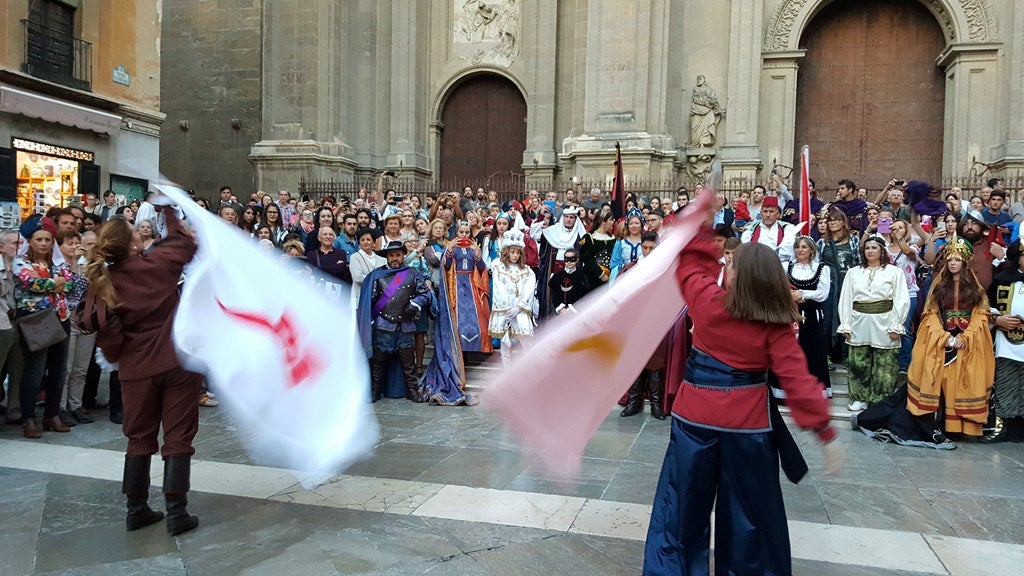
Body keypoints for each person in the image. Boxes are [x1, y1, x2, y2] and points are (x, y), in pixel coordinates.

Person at [643, 232, 842, 576]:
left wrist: (702, 217)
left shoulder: (707, 301)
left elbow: (689, 264)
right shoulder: (775, 324)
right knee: (748, 518)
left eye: (730, 263)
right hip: (747, 428)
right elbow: (797, 379)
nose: (725, 264)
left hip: (694, 421)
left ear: (741, 275)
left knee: (681, 510)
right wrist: (824, 431)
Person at [84, 206, 202, 535]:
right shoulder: (154, 266)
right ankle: (177, 512)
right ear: (132, 244)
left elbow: (107, 333)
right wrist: (170, 211)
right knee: (178, 436)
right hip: (176, 363)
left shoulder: (104, 280)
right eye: (136, 231)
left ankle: (135, 509)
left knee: (138, 438)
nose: (140, 234)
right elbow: (183, 244)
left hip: (136, 368)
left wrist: (118, 356)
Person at [906, 238, 993, 437]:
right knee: (940, 380)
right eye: (950, 259)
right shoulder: (939, 286)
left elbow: (981, 314)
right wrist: (942, 336)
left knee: (962, 381)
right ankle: (941, 425)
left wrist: (967, 336)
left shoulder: (975, 288)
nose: (953, 263)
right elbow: (930, 313)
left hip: (967, 341)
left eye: (957, 260)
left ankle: (962, 428)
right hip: (942, 340)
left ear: (965, 262)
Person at [13, 215, 75, 439]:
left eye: (47, 240)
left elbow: (70, 283)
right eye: (39, 239)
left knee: (59, 370)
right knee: (35, 370)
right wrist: (54, 284)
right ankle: (28, 418)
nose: (43, 244)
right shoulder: (20, 262)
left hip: (61, 316)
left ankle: (52, 415)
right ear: (29, 241)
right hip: (36, 319)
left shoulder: (57, 263)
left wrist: (53, 284)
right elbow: (32, 283)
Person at [837, 236, 910, 411]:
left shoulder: (894, 272)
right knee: (858, 361)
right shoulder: (853, 272)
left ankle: (880, 400)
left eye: (874, 248)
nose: (870, 251)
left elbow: (901, 299)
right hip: (859, 320)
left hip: (885, 320)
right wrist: (846, 323)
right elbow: (846, 298)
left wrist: (896, 324)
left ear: (882, 251)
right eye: (867, 248)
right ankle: (859, 398)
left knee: (885, 363)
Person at [358, 240, 431, 402]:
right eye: (391, 255)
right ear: (387, 257)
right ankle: (375, 392)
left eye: (398, 255)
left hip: (405, 326)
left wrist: (416, 303)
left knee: (409, 364)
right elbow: (370, 299)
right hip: (383, 325)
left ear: (403, 255)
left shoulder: (413, 273)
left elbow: (425, 294)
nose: (395, 258)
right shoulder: (376, 275)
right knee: (378, 363)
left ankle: (412, 391)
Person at [984, 239, 1024, 443]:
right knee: (1006, 384)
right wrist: (997, 319)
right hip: (1007, 344)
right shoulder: (1002, 280)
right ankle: (1003, 427)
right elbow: (986, 308)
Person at [786, 236, 832, 397]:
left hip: (811, 314)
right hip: (790, 314)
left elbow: (823, 294)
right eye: (797, 246)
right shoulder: (788, 267)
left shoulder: (821, 269)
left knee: (811, 350)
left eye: (804, 247)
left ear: (812, 250)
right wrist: (790, 294)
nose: (800, 250)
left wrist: (802, 293)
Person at [817, 209, 861, 366]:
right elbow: (817, 266)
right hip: (829, 285)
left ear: (844, 222)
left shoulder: (854, 240)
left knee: (848, 317)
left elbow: (858, 263)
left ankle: (846, 354)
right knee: (827, 319)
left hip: (848, 284)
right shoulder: (822, 243)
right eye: (830, 220)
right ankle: (828, 354)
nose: (833, 222)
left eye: (836, 220)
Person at [488, 231, 537, 366]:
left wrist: (520, 307)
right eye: (512, 252)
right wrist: (507, 308)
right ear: (506, 252)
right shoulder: (499, 268)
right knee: (505, 340)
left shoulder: (527, 270)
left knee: (526, 339)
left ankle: (530, 367)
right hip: (506, 309)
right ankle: (507, 369)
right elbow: (498, 288)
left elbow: (529, 289)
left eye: (518, 252)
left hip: (519, 309)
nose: (515, 255)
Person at [536, 207, 586, 317]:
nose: (568, 220)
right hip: (553, 272)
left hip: (573, 274)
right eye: (566, 217)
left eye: (571, 217)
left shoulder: (580, 235)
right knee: (551, 299)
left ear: (575, 219)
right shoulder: (552, 231)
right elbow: (535, 235)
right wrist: (542, 219)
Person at [305, 226, 353, 305]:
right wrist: (335, 267)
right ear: (319, 238)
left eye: (331, 234)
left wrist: (319, 269)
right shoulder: (312, 254)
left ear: (334, 238)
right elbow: (313, 273)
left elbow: (341, 270)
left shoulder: (341, 253)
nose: (328, 237)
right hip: (318, 295)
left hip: (337, 295)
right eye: (325, 234)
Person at [547, 248, 591, 314]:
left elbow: (584, 295)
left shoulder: (581, 276)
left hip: (576, 312)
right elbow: (554, 294)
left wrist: (573, 308)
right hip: (560, 312)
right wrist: (560, 307)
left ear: (577, 260)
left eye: (572, 260)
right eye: (567, 260)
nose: (569, 262)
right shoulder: (557, 276)